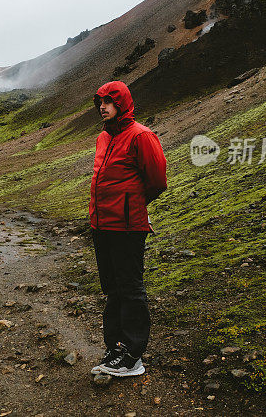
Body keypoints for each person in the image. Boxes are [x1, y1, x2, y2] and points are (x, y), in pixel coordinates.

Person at [88, 80, 167, 377]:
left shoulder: (141, 136)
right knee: (112, 289)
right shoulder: (103, 138)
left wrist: (131, 205)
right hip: (102, 225)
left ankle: (133, 357)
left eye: (109, 103)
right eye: (100, 103)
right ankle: (116, 348)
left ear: (122, 105)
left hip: (127, 227)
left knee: (130, 289)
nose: (102, 108)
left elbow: (157, 181)